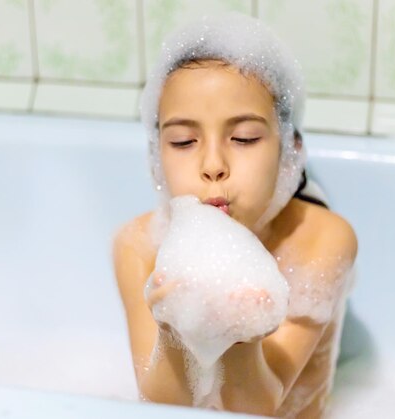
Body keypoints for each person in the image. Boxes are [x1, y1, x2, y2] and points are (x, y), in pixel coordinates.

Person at [113, 13, 358, 419]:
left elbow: (260, 408)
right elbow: (158, 407)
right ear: (157, 155)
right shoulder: (137, 246)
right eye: (183, 141)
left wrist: (244, 339)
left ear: (288, 151)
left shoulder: (321, 239)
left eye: (244, 138)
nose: (213, 164)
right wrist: (174, 333)